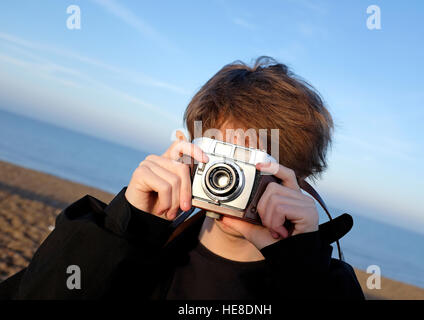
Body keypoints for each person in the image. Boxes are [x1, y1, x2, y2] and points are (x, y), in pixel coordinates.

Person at [0, 57, 364, 300]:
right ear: (188, 150)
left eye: (256, 163)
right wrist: (122, 228)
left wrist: (304, 268)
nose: (231, 176)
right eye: (222, 155)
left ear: (300, 180)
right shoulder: (134, 251)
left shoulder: (320, 284)